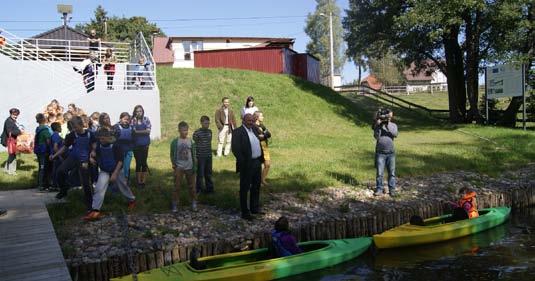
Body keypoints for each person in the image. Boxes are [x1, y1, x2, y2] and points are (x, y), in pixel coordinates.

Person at [85, 127, 137, 220]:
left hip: (117, 169)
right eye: (100, 138)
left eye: (103, 138)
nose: (101, 140)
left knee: (122, 186)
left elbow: (120, 161)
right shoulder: (99, 145)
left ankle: (132, 200)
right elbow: (94, 153)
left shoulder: (116, 146)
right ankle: (95, 210)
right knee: (99, 188)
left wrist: (115, 173)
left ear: (108, 137)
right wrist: (91, 157)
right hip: (105, 170)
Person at [50, 116, 97, 211]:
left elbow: (94, 145)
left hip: (84, 160)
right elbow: (65, 147)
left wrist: (93, 152)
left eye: (75, 126)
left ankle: (90, 205)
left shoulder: (89, 134)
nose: (74, 129)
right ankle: (64, 190)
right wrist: (55, 155)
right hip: (73, 158)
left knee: (86, 182)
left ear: (81, 125)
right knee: (60, 171)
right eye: (72, 127)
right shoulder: (72, 135)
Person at [231, 113, 263, 221]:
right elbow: (236, 149)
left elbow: (262, 139)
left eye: (252, 120)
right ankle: (245, 212)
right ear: (243, 121)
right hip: (246, 164)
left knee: (256, 186)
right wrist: (243, 162)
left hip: (257, 162)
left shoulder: (254, 129)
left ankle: (254, 208)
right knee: (244, 188)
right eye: (249, 120)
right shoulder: (237, 132)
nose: (251, 122)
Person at [170, 121, 197, 212]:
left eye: (186, 130)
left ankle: (193, 202)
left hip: (189, 167)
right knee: (177, 186)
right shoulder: (175, 142)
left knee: (192, 186)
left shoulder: (190, 142)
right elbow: (172, 154)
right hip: (179, 167)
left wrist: (195, 165)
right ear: (179, 130)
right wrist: (174, 164)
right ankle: (175, 204)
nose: (185, 132)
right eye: (183, 130)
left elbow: (193, 154)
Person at [372, 109, 398, 197]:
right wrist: (378, 125)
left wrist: (388, 127)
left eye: (389, 117)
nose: (387, 119)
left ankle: (392, 190)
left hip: (391, 153)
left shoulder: (394, 125)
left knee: (392, 173)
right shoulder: (378, 125)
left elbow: (395, 134)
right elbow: (376, 136)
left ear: (390, 118)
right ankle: (379, 189)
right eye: (387, 117)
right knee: (379, 173)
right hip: (380, 153)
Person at [131, 105, 151, 189]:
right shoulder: (133, 120)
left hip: (145, 144)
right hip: (136, 145)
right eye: (137, 111)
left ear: (142, 112)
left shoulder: (146, 119)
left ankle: (144, 181)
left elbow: (148, 131)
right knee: (138, 163)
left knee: (144, 162)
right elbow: (133, 131)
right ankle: (139, 181)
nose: (139, 113)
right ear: (135, 112)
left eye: (140, 111)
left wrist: (138, 132)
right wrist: (143, 131)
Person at [193, 116, 213, 194]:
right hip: (201, 156)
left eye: (208, 123)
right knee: (200, 173)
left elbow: (209, 141)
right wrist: (196, 156)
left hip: (209, 155)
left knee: (208, 173)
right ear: (201, 123)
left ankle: (209, 189)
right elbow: (195, 143)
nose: (207, 125)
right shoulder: (197, 132)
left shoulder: (210, 132)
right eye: (205, 123)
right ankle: (199, 189)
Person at [113, 112, 134, 182]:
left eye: (127, 119)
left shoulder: (131, 127)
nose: (126, 121)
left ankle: (126, 180)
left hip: (129, 150)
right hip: (119, 151)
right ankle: (118, 181)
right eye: (124, 119)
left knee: (127, 166)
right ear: (120, 119)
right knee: (119, 167)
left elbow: (134, 138)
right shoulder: (115, 127)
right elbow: (112, 139)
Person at [1, 108, 23, 175]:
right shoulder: (9, 121)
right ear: (10, 114)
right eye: (14, 115)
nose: (15, 116)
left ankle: (6, 169)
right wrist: (20, 132)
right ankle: (11, 171)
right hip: (10, 141)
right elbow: (10, 132)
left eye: (16, 115)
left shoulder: (12, 120)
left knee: (12, 155)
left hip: (11, 140)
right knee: (12, 155)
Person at [34, 113, 52, 192]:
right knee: (43, 167)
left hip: (38, 150)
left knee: (41, 166)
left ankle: (40, 182)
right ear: (44, 120)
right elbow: (48, 140)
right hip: (43, 150)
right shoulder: (45, 130)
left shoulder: (38, 128)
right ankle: (41, 185)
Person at [253, 111, 271, 186]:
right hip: (258, 148)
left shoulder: (262, 125)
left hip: (265, 147)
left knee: (268, 164)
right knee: (257, 166)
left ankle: (263, 180)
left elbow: (269, 134)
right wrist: (264, 135)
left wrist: (263, 135)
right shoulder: (253, 126)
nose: (262, 117)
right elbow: (258, 137)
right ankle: (255, 181)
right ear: (257, 117)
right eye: (261, 116)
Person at [49, 122, 64, 190]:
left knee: (54, 170)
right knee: (57, 171)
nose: (61, 128)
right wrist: (59, 155)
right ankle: (55, 185)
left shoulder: (52, 136)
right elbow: (55, 147)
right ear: (57, 128)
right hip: (57, 157)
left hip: (53, 155)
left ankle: (53, 184)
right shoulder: (57, 136)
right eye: (60, 127)